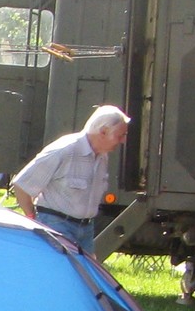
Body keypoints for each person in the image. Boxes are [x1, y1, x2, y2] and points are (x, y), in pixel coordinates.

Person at [9, 104, 132, 256]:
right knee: (59, 268)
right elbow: (22, 184)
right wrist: (32, 217)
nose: (123, 141)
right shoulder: (65, 150)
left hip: (86, 228)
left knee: (83, 270)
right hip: (57, 225)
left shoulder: (102, 156)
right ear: (103, 132)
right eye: (120, 136)